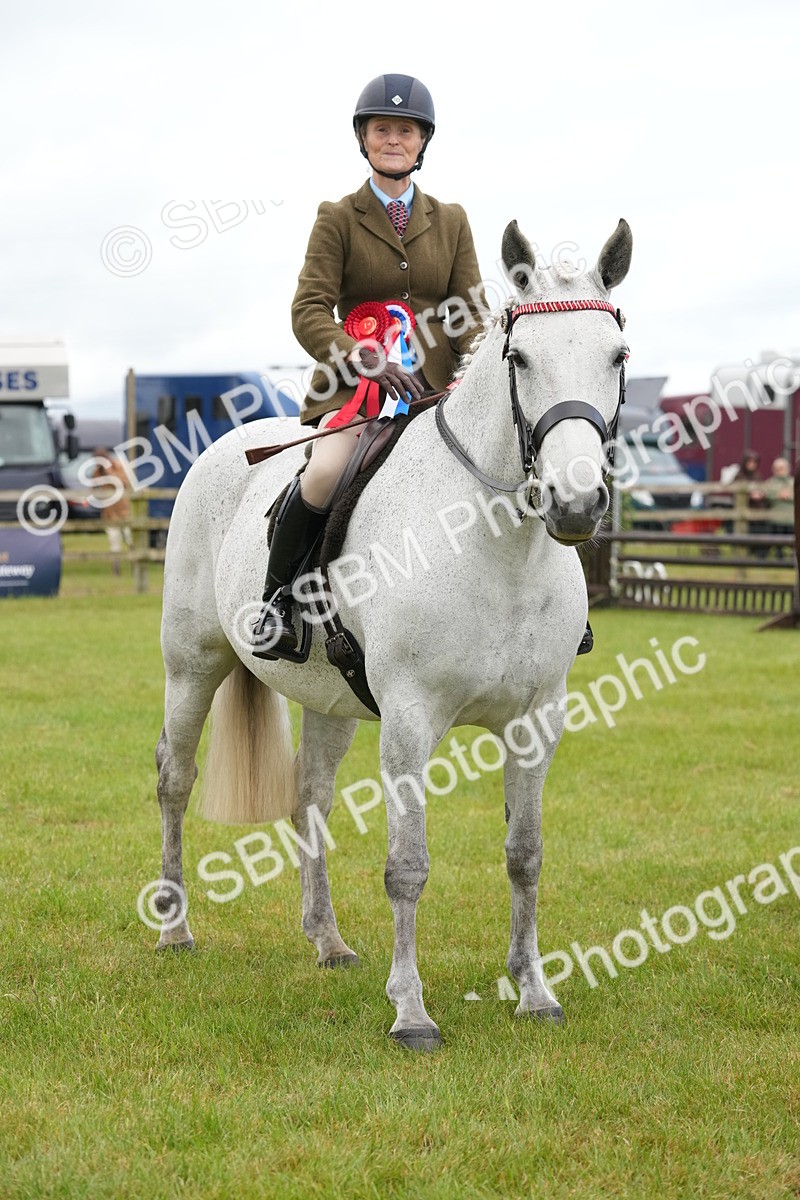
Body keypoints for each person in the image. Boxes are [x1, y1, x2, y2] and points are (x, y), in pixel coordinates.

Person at [252, 74, 486, 657]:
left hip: (435, 392)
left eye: (405, 130)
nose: (393, 140)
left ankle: (555, 609)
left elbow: (471, 314)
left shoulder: (451, 219)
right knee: (326, 472)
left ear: (422, 141)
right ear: (364, 138)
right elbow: (309, 309)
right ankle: (277, 605)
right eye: (382, 129)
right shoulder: (337, 217)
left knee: (513, 458)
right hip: (357, 394)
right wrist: (361, 354)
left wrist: (473, 372)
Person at [90, 448, 133, 575]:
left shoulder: (118, 466)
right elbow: (93, 487)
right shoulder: (98, 472)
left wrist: (110, 473)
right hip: (109, 512)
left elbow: (125, 483)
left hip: (123, 510)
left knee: (129, 538)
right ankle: (116, 568)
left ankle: (134, 563)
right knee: (114, 541)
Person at [763, 457, 795, 557]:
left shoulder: (794, 482)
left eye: (782, 468)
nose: (780, 470)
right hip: (775, 520)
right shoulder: (770, 482)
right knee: (777, 544)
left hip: (791, 520)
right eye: (777, 468)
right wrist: (778, 495)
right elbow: (766, 494)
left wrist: (788, 496)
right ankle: (778, 557)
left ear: (787, 469)